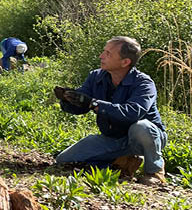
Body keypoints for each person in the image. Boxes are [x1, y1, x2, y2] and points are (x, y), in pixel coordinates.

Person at [54, 36, 167, 185]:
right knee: (63, 160)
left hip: (143, 139)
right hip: (113, 138)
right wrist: (68, 99)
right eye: (103, 51)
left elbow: (132, 113)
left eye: (108, 53)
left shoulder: (144, 83)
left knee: (142, 127)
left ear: (125, 62)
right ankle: (122, 162)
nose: (101, 56)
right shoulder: (96, 77)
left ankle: (154, 171)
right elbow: (81, 106)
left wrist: (94, 104)